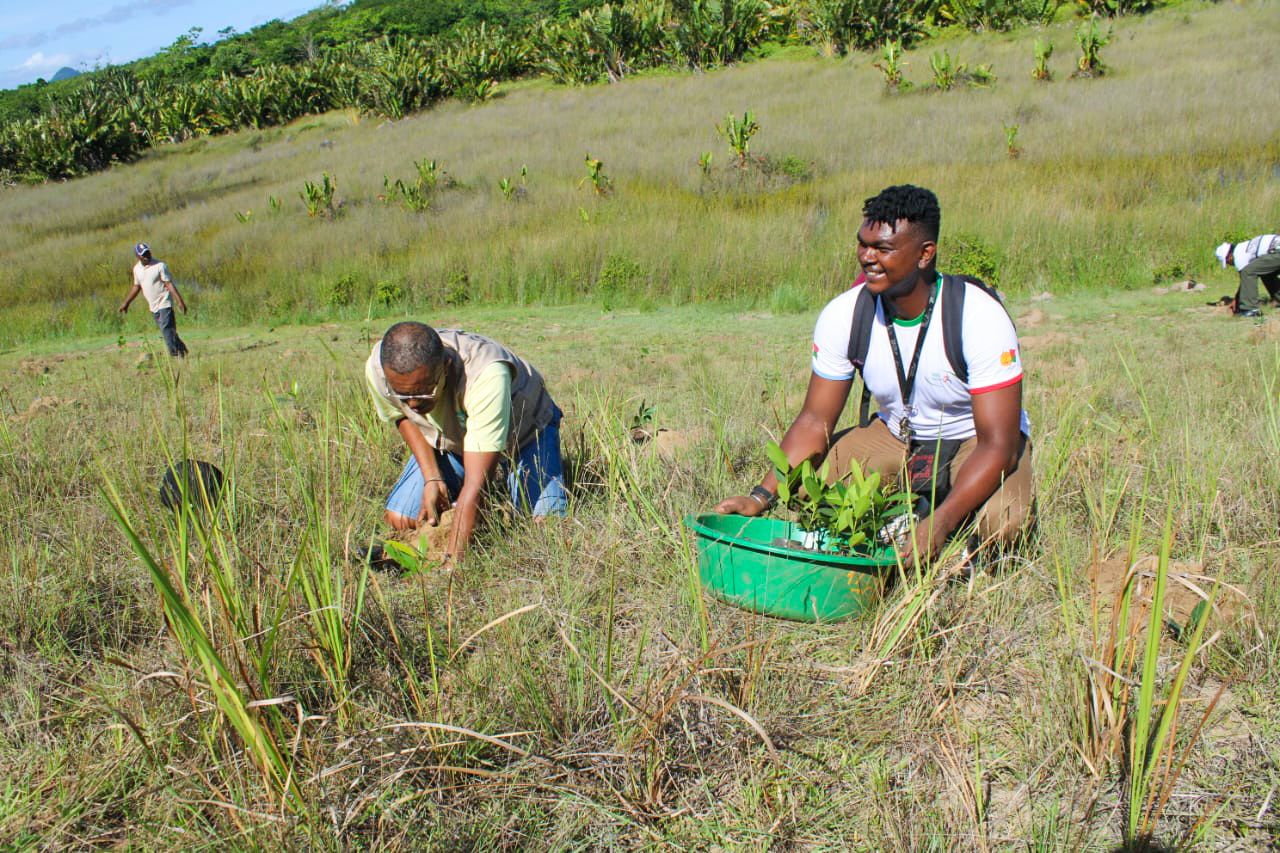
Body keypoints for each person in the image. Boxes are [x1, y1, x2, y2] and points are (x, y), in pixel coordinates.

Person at [714, 185, 1034, 565]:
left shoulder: (978, 316)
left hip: (973, 440)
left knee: (1004, 522)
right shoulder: (845, 314)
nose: (867, 258)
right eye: (863, 245)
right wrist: (760, 496)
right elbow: (815, 420)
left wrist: (941, 524)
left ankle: (947, 526)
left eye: (883, 249)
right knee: (804, 490)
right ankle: (905, 517)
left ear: (925, 254)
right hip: (897, 434)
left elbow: (999, 444)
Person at [365, 321, 568, 563]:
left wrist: (452, 566)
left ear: (446, 367)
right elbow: (401, 417)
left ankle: (483, 510)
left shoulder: (486, 374)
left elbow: (475, 485)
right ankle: (471, 510)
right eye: (403, 396)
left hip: (527, 432)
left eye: (422, 393)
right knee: (401, 519)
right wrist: (432, 477)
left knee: (544, 528)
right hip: (455, 438)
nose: (413, 406)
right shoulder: (380, 368)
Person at [118, 242, 189, 357]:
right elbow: (137, 286)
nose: (147, 255)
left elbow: (169, 283)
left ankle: (174, 355)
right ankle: (181, 349)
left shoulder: (160, 265)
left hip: (164, 302)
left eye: (148, 252)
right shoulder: (136, 269)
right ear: (138, 256)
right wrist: (126, 303)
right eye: (143, 254)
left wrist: (179, 301)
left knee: (166, 329)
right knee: (167, 330)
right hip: (153, 306)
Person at [1216, 234, 1280, 318]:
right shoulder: (1244, 247)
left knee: (1249, 271)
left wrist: (1236, 302)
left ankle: (1250, 309)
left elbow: (1245, 281)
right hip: (1275, 250)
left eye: (1227, 262)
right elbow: (1246, 283)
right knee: (1264, 272)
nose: (1229, 264)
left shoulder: (1239, 256)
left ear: (1229, 256)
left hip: (1277, 251)